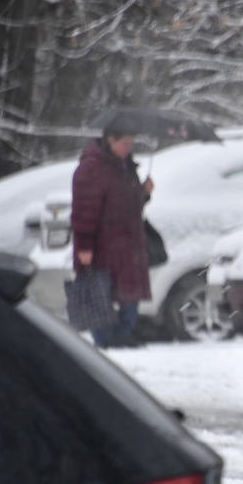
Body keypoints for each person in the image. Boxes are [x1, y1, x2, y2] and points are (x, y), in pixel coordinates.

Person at [70, 120, 154, 349]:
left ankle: (124, 334)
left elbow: (130, 205)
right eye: (124, 143)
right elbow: (84, 211)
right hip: (102, 244)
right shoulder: (92, 168)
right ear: (110, 140)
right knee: (100, 292)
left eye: (131, 143)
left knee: (130, 291)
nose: (128, 147)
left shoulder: (126, 167)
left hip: (128, 243)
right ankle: (104, 338)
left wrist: (144, 193)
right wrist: (85, 246)